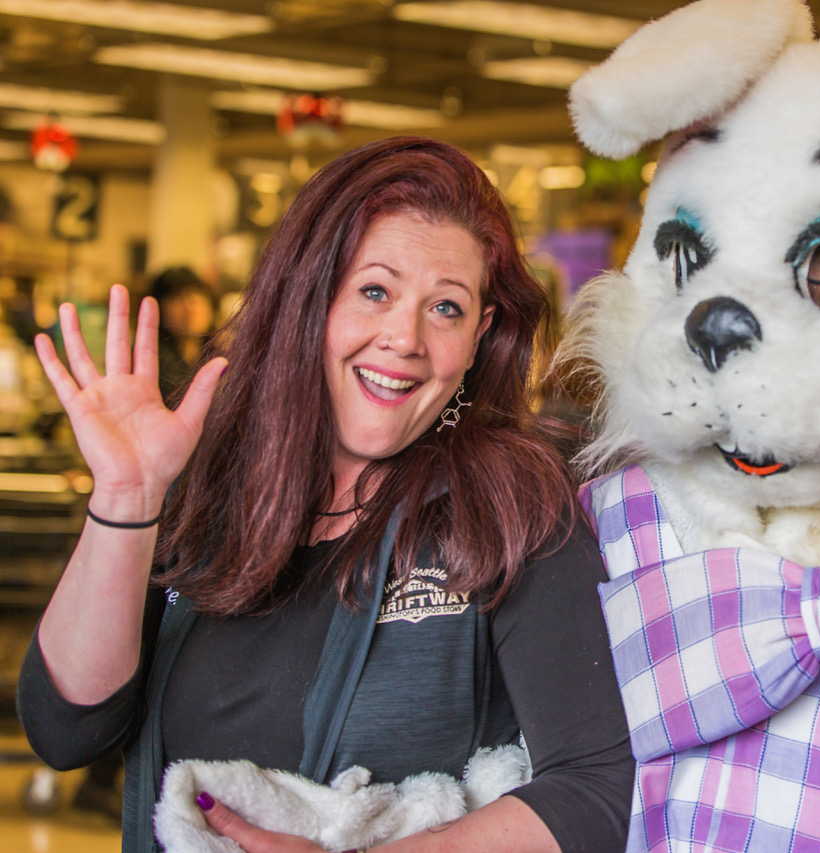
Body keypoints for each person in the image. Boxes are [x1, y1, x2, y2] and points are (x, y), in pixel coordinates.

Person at [17, 136, 634, 853]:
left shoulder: (514, 507)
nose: (404, 337)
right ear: (309, 294)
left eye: (446, 309)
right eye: (375, 291)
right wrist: (127, 496)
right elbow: (67, 729)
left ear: (478, 337)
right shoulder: (206, 481)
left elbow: (600, 787)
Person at [148, 266, 218, 401]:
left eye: (197, 296)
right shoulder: (152, 362)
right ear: (159, 309)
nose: (190, 307)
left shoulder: (221, 356)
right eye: (178, 298)